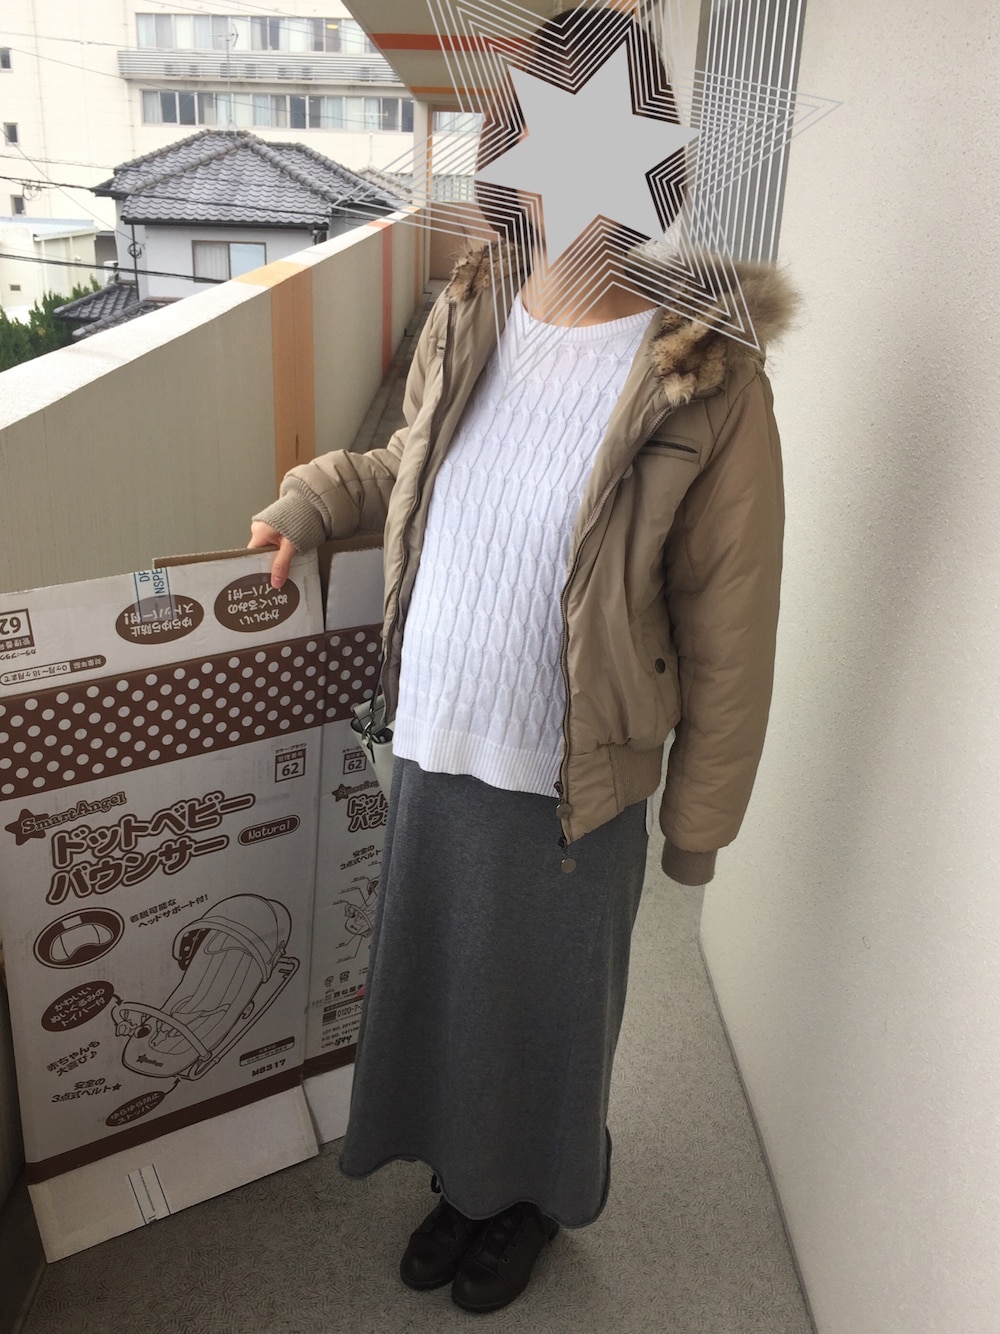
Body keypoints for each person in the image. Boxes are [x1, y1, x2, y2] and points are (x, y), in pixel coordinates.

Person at [249, 6, 794, 1315]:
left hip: (572, 772)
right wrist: (316, 500)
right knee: (447, 987)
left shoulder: (707, 380)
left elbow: (733, 619)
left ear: (652, 159)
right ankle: (465, 1182)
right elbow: (414, 459)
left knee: (546, 1008)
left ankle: (532, 1198)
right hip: (439, 730)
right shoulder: (473, 307)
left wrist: (699, 826)